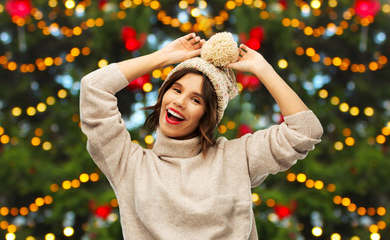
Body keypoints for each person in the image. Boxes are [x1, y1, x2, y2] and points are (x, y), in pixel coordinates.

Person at [80, 32, 323, 240]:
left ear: (208, 115)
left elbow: (305, 131)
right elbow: (94, 88)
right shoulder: (128, 164)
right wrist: (162, 57)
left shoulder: (237, 158)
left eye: (196, 99)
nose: (179, 102)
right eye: (176, 89)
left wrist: (262, 68)